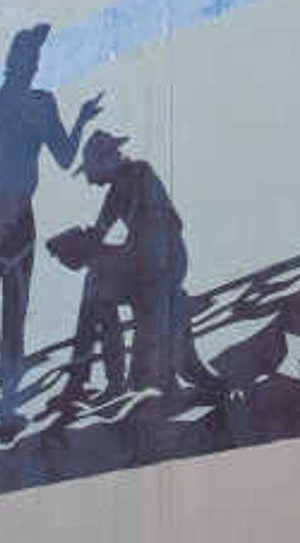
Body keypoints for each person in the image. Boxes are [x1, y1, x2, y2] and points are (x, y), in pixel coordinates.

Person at [0, 21, 101, 439]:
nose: (33, 65)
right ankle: (0, 417)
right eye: (32, 58)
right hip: (15, 224)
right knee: (8, 323)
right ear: (26, 63)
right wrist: (82, 120)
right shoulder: (37, 105)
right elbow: (65, 156)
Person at [49, 128, 220, 410]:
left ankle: (102, 382)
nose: (93, 180)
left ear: (108, 160)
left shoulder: (140, 174)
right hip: (146, 264)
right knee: (95, 284)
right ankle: (92, 380)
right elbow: (101, 230)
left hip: (164, 263)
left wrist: (98, 250)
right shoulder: (120, 187)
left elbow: (156, 235)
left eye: (94, 170)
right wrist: (76, 244)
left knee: (97, 284)